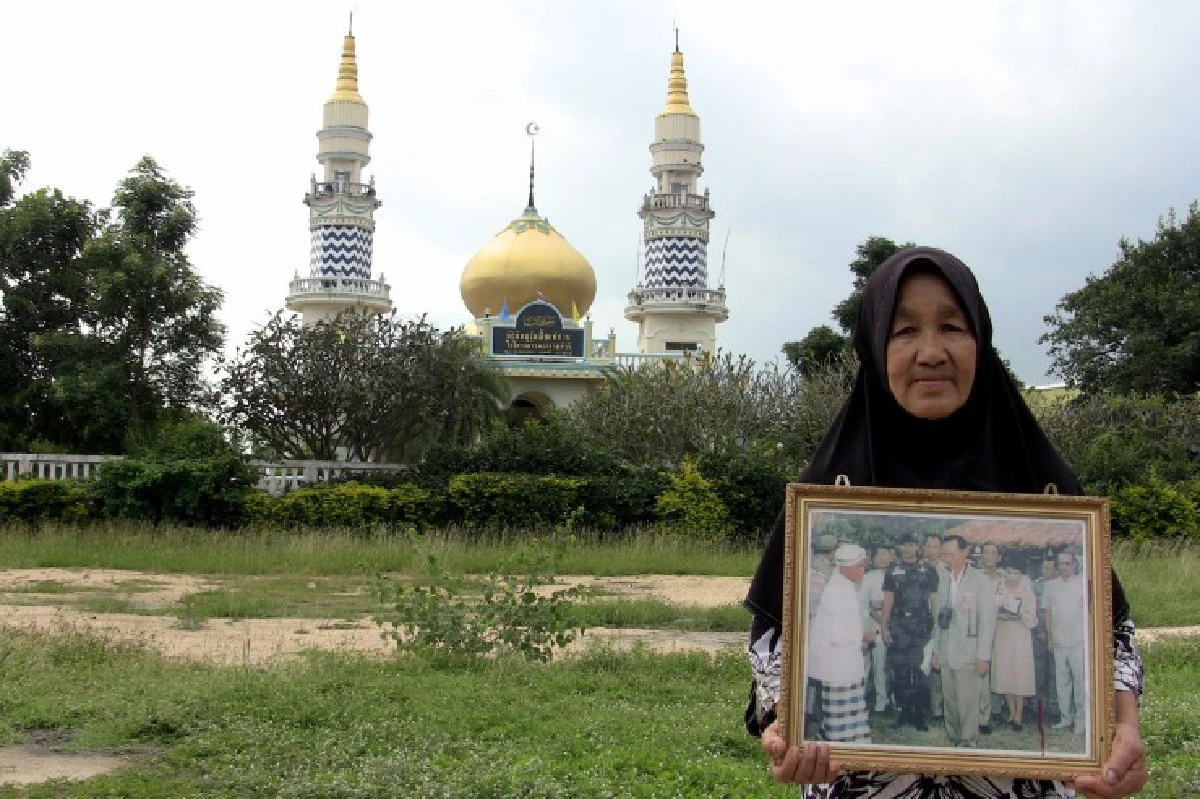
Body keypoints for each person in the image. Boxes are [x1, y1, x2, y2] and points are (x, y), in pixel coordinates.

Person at [744, 247, 1146, 798]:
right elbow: (777, 635)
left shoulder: (1044, 488)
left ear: (980, 340)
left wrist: (1122, 730)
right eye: (904, 331)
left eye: (952, 327)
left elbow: (1110, 632)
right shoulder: (829, 492)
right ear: (873, 344)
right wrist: (786, 724)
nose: (930, 352)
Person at [932, 534, 998, 748]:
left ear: (965, 552)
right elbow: (939, 620)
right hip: (946, 650)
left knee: (968, 701)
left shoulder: (981, 581)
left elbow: (988, 622)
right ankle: (954, 735)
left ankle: (968, 740)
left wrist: (983, 656)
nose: (947, 559)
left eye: (951, 554)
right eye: (944, 555)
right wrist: (936, 651)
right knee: (950, 699)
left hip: (969, 651)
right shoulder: (943, 580)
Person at [809, 544, 875, 743]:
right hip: (837, 666)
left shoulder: (845, 586)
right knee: (839, 720)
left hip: (847, 663)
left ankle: (854, 748)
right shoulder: (836, 590)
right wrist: (863, 636)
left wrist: (859, 636)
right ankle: (840, 755)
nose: (863, 570)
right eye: (860, 566)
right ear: (847, 567)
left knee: (852, 713)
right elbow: (836, 634)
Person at [881, 532, 938, 730]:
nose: (908, 548)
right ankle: (904, 712)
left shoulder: (928, 569)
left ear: (918, 546)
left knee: (919, 671)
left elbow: (934, 599)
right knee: (900, 671)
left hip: (920, 626)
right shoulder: (893, 569)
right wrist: (884, 625)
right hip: (898, 626)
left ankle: (919, 715)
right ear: (900, 547)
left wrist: (935, 625)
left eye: (912, 544)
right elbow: (888, 597)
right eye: (905, 544)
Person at [1047, 550, 1089, 736]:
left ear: (1074, 565)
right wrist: (1049, 637)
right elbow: (1047, 613)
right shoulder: (1051, 586)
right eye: (1061, 564)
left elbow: (1089, 613)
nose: (1064, 567)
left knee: (1079, 681)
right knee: (1061, 681)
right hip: (1058, 639)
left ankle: (1081, 721)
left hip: (1078, 640)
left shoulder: (1082, 584)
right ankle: (1066, 718)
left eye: (1067, 563)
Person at [992, 566, 1038, 730]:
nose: (1012, 576)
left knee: (1019, 674)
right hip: (1002, 635)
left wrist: (1019, 616)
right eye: (1009, 572)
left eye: (1016, 572)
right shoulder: (997, 587)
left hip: (1020, 636)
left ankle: (1019, 714)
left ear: (1021, 574)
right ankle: (1011, 712)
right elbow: (990, 609)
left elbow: (1032, 619)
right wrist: (999, 614)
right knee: (1005, 673)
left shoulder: (1027, 590)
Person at [859, 545, 894, 713]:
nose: (883, 558)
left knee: (883, 667)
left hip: (889, 628)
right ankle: (860, 699)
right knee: (866, 666)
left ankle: (883, 701)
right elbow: (866, 605)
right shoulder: (867, 578)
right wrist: (879, 616)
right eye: (879, 555)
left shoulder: (895, 575)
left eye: (886, 554)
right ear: (872, 559)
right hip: (871, 628)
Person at [977, 542, 1005, 734]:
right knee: (982, 675)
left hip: (1004, 630)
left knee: (1000, 670)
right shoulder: (974, 577)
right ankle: (982, 717)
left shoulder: (1007, 578)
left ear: (999, 556)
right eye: (985, 552)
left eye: (993, 552)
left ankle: (998, 709)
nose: (989, 556)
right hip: (980, 631)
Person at [922, 533, 950, 720]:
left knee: (940, 665)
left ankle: (940, 708)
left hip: (942, 623)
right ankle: (923, 707)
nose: (932, 550)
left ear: (941, 549)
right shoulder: (917, 568)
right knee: (922, 665)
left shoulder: (947, 570)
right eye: (929, 546)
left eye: (935, 547)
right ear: (923, 548)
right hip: (919, 623)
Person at [1034, 554, 1062, 724]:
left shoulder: (1060, 587)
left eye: (1049, 568)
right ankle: (1035, 708)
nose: (1045, 571)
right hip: (1037, 636)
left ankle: (1054, 709)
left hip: (1056, 636)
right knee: (1037, 673)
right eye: (1043, 568)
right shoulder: (1035, 585)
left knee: (1055, 674)